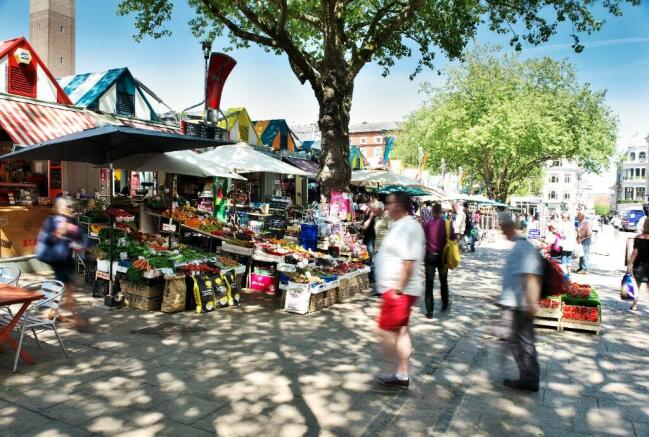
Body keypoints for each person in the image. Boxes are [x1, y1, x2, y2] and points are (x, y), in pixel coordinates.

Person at [375, 191, 425, 388]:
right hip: (395, 289)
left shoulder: (409, 227)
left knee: (384, 331)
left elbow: (409, 261)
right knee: (400, 331)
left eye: (390, 203)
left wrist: (398, 289)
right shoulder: (399, 225)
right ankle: (401, 373)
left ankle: (396, 369)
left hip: (399, 291)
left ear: (401, 205)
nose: (387, 206)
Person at [497, 212, 542, 392]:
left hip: (522, 303)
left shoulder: (523, 247)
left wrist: (531, 302)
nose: (502, 231)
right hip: (517, 302)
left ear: (509, 227)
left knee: (524, 341)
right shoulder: (518, 246)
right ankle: (527, 376)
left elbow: (531, 275)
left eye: (502, 227)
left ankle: (530, 379)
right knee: (518, 340)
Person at [35, 197, 89, 329]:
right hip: (57, 259)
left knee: (61, 285)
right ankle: (76, 318)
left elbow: (83, 236)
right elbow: (47, 238)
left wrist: (80, 239)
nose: (71, 209)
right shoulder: (52, 221)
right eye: (67, 206)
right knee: (69, 288)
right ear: (59, 208)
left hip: (65, 259)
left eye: (71, 206)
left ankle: (53, 311)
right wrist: (58, 233)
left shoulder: (72, 221)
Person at [423, 203, 455, 317]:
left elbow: (423, 238)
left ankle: (430, 311)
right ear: (441, 212)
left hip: (430, 257)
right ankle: (445, 304)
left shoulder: (427, 224)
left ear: (432, 212)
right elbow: (452, 237)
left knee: (429, 283)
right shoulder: (447, 224)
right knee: (443, 281)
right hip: (443, 257)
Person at [627, 219, 649, 311]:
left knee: (637, 286)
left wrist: (630, 263)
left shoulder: (639, 237)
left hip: (639, 264)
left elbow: (635, 252)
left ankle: (635, 305)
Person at [557, 213, 577, 277]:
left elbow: (563, 233)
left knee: (565, 256)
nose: (563, 218)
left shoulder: (565, 224)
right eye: (563, 217)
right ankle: (568, 272)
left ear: (567, 217)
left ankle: (565, 272)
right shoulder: (570, 224)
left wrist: (562, 235)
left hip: (566, 242)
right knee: (568, 256)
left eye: (564, 217)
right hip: (569, 242)